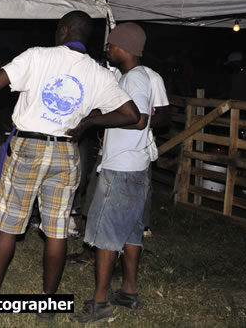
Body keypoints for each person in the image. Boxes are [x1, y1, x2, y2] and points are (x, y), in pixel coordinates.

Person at [0, 10, 140, 321]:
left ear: (63, 30)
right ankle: (47, 306)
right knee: (56, 230)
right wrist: (89, 122)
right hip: (65, 150)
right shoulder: (98, 72)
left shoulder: (38, 56)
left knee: (8, 222)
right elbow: (131, 114)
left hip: (29, 147)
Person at [71, 23, 154, 323]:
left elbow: (140, 119)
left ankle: (100, 302)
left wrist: (94, 123)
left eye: (112, 44)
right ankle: (128, 292)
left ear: (126, 48)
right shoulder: (134, 77)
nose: (107, 48)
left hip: (121, 169)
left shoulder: (135, 80)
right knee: (131, 233)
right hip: (134, 167)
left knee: (105, 235)